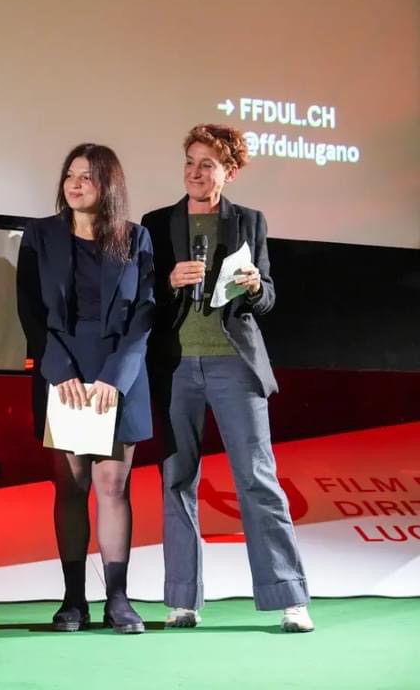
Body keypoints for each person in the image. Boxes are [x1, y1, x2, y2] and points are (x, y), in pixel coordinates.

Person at [141, 124, 314, 633]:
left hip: (234, 363)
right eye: (190, 162)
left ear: (229, 172)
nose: (195, 172)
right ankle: (182, 600)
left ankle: (289, 596)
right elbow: (138, 293)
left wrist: (256, 286)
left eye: (207, 165)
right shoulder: (156, 223)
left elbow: (267, 298)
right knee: (177, 480)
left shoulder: (249, 221)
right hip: (175, 366)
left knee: (257, 478)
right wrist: (167, 280)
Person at [16, 144, 155, 634]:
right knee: (72, 487)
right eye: (70, 175)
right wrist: (60, 371)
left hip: (120, 370)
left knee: (113, 486)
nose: (75, 185)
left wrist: (116, 377)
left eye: (87, 177)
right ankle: (73, 599)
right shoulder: (40, 235)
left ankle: (118, 599)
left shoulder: (135, 238)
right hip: (64, 369)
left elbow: (145, 313)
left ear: (108, 185)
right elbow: (30, 311)